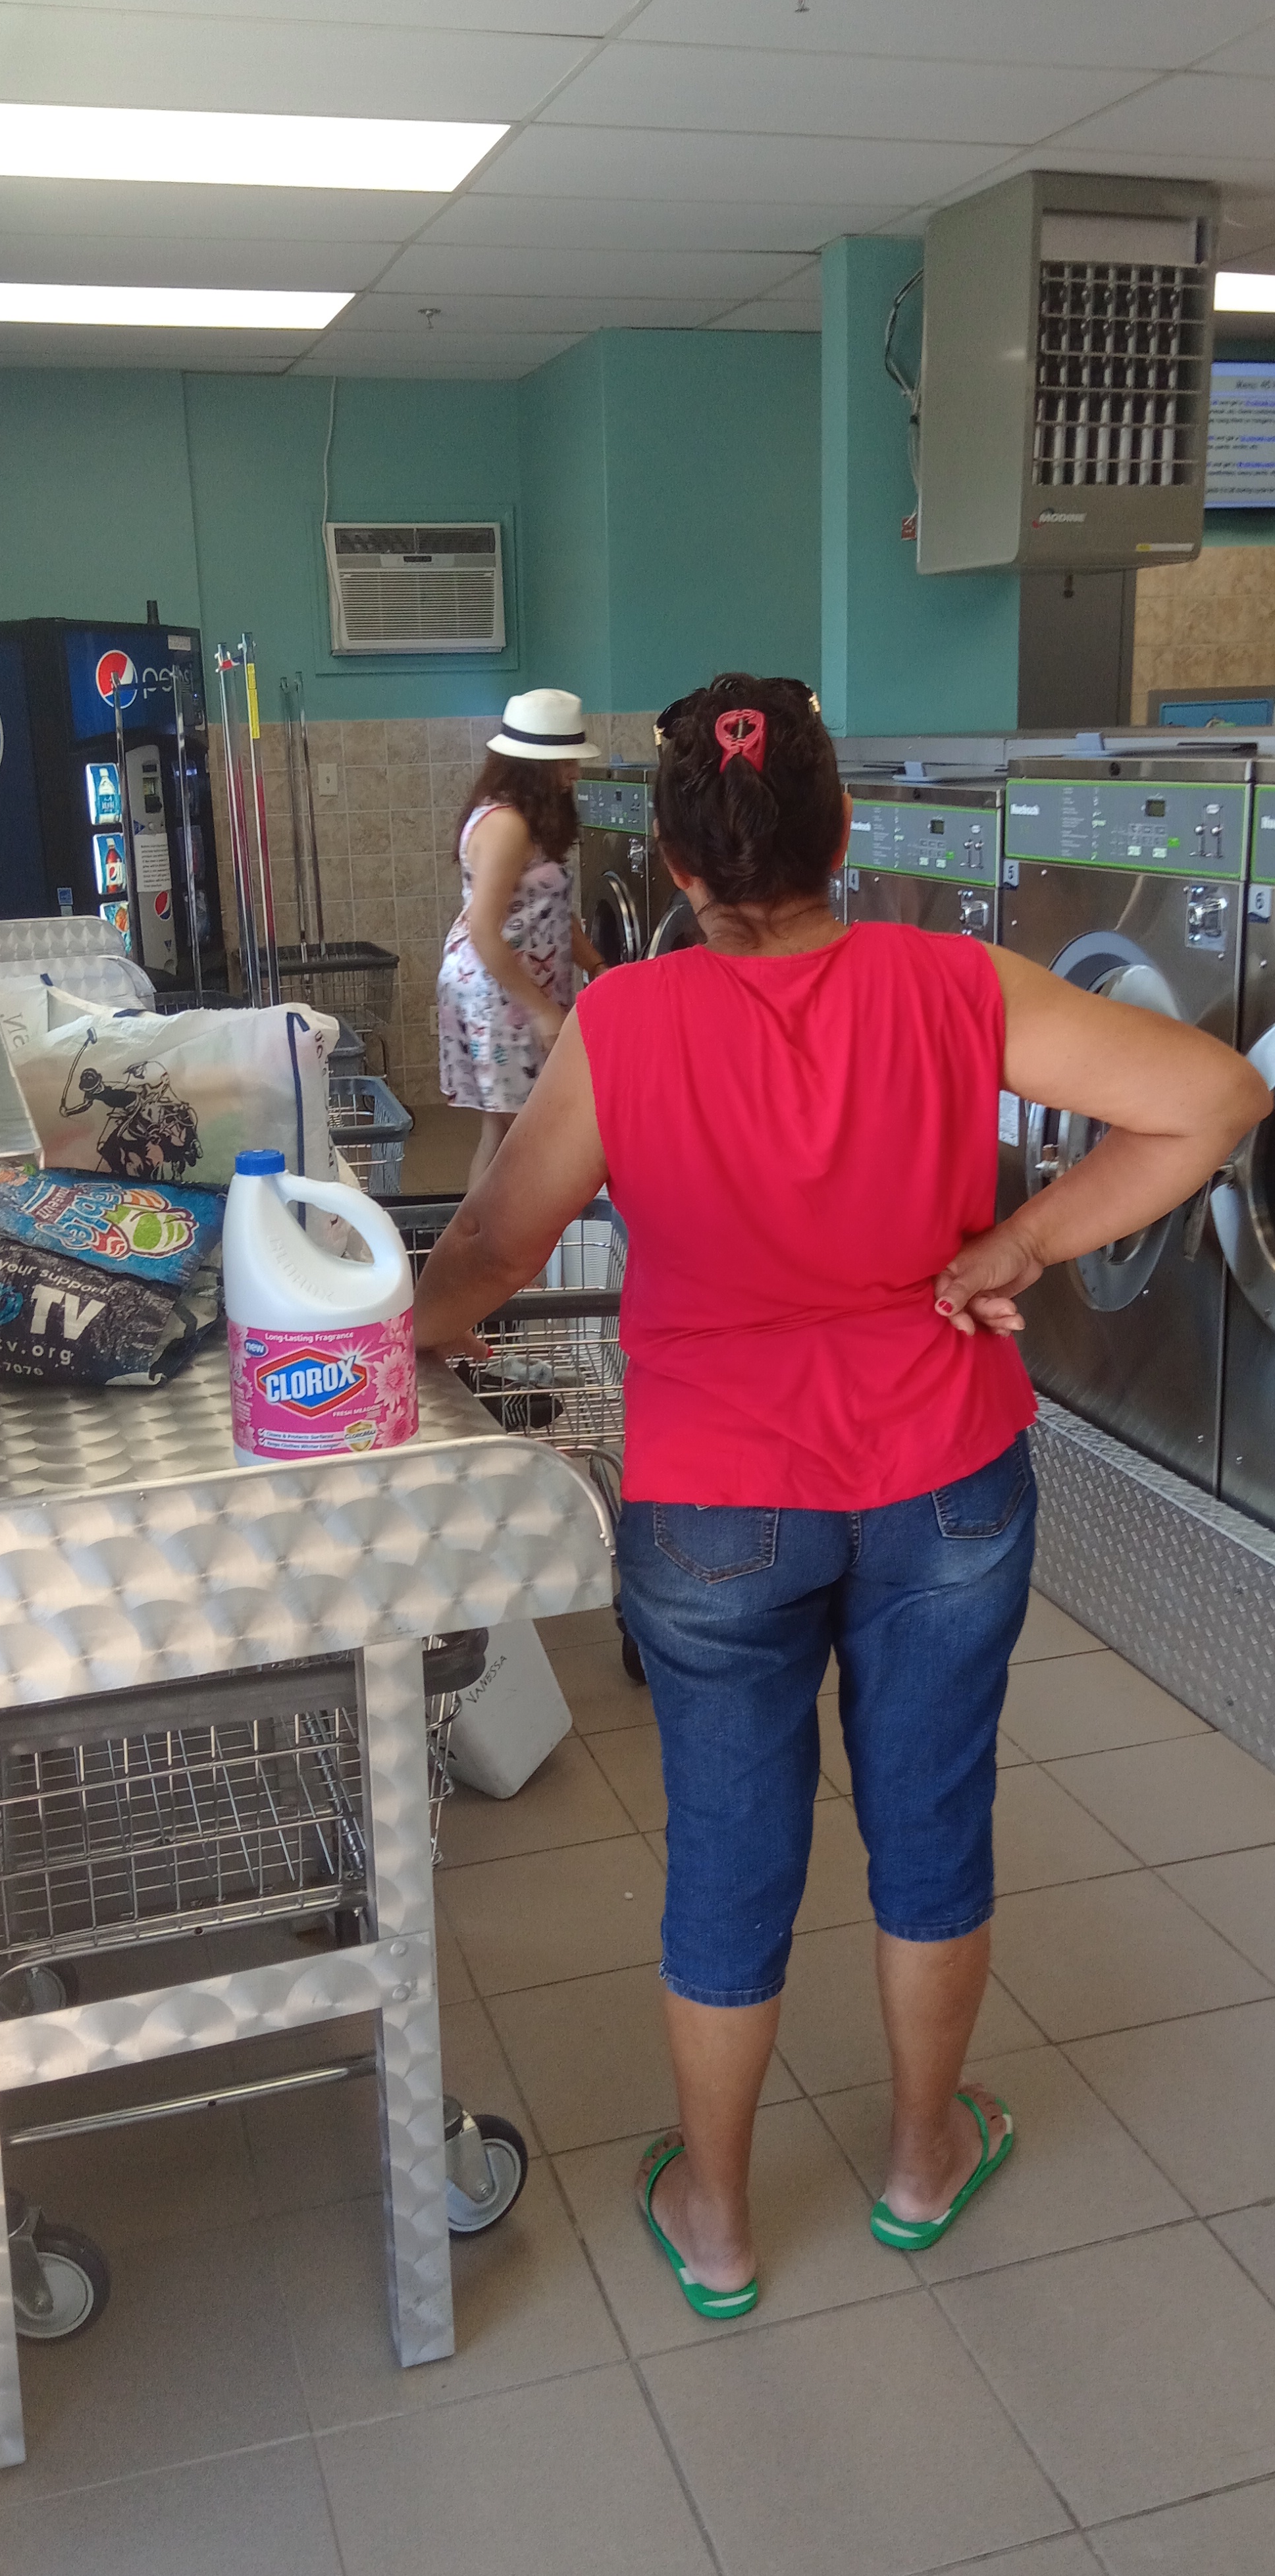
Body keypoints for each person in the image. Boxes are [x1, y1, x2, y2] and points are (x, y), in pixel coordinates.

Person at [413, 672, 1268, 2316]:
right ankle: (921, 2159)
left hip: (712, 1508)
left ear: (671, 860)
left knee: (730, 1860)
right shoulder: (958, 983)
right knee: (929, 1830)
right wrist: (1017, 1244)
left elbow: (496, 1250)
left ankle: (720, 2225)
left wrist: (390, 1343)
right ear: (849, 834)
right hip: (942, 1477)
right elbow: (1218, 1098)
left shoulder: (626, 1023)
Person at [438, 688, 606, 1187]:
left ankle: (483, 1254)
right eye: (567, 762)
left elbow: (549, 914)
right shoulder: (507, 826)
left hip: (515, 988)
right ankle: (499, 1255)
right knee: (523, 1141)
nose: (575, 772)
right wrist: (540, 1009)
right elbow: (486, 932)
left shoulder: (527, 821)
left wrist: (596, 964)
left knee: (504, 1135)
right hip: (499, 996)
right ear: (535, 766)